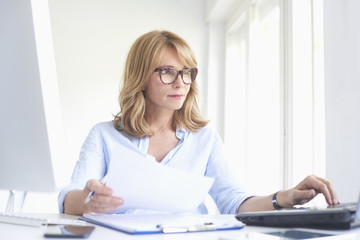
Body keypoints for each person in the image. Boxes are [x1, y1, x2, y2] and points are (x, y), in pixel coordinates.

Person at [58, 30, 339, 215]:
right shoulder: (105, 136)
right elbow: (69, 196)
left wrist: (283, 197)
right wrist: (87, 199)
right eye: (167, 72)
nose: (180, 82)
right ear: (141, 77)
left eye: (186, 72)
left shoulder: (204, 139)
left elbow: (233, 201)